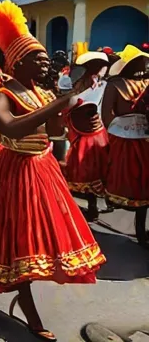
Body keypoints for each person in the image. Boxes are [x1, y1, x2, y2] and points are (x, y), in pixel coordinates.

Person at [0, 0, 105, 341]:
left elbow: (54, 132)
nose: (46, 62)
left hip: (43, 169)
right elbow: (13, 129)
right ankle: (28, 307)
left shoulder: (43, 93)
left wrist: (79, 112)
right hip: (13, 172)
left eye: (46, 58)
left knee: (24, 239)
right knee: (19, 240)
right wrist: (59, 103)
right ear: (18, 62)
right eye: (38, 57)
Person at [101, 44, 149, 247]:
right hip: (139, 138)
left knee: (127, 176)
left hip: (125, 137)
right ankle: (139, 227)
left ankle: (117, 204)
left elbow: (107, 116)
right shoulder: (144, 84)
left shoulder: (115, 85)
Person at [62, 43, 110, 221]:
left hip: (85, 129)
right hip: (95, 129)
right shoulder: (97, 83)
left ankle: (91, 207)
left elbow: (72, 102)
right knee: (95, 167)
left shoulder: (88, 83)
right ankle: (94, 206)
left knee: (85, 168)